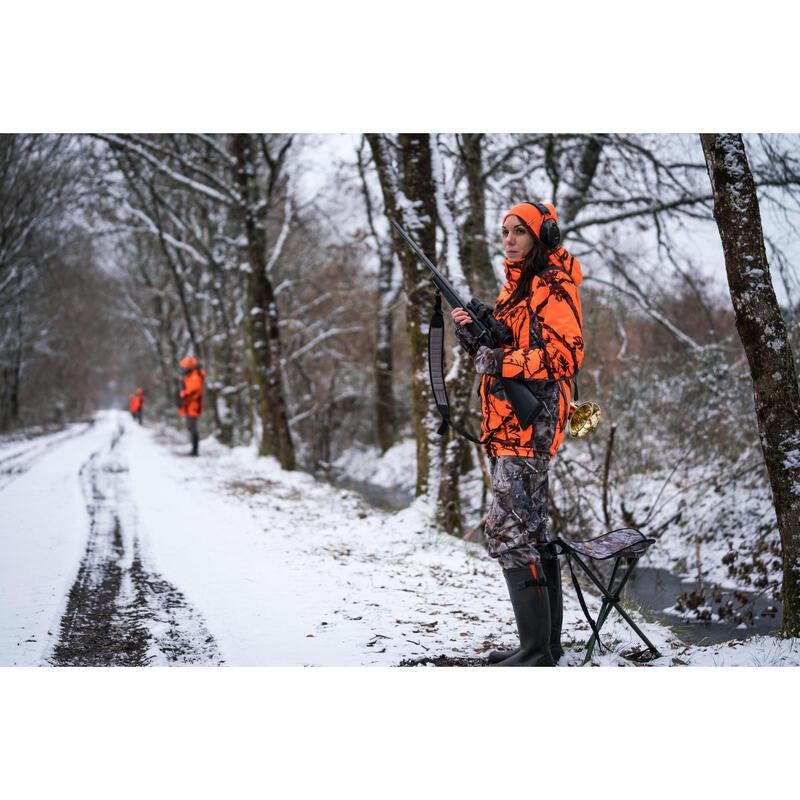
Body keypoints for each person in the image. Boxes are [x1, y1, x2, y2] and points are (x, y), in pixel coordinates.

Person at [452, 202, 583, 666]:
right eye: (503, 231)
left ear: (543, 233)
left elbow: (565, 357)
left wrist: (500, 360)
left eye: (518, 231)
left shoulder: (553, 285)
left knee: (507, 530)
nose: (507, 239)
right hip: (506, 425)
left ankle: (534, 653)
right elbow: (510, 347)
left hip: (530, 424)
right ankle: (544, 647)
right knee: (531, 530)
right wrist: (478, 337)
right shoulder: (517, 287)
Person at [178, 356, 206, 456]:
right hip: (189, 406)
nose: (183, 370)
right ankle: (194, 449)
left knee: (193, 428)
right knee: (190, 427)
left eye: (185, 367)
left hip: (193, 406)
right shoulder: (190, 376)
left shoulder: (194, 377)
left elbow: (194, 390)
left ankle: (195, 450)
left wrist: (184, 393)